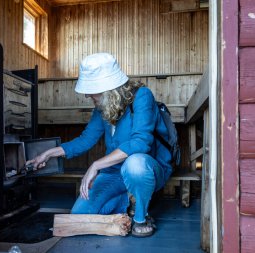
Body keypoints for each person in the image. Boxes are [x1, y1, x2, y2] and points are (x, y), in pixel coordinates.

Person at [26, 53, 173, 237]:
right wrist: (48, 154)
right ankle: (130, 199)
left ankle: (141, 217)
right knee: (79, 215)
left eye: (91, 89)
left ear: (108, 88)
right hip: (114, 172)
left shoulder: (142, 96)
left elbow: (141, 143)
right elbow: (86, 139)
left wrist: (96, 165)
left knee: (135, 164)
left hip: (147, 168)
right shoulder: (103, 107)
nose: (87, 94)